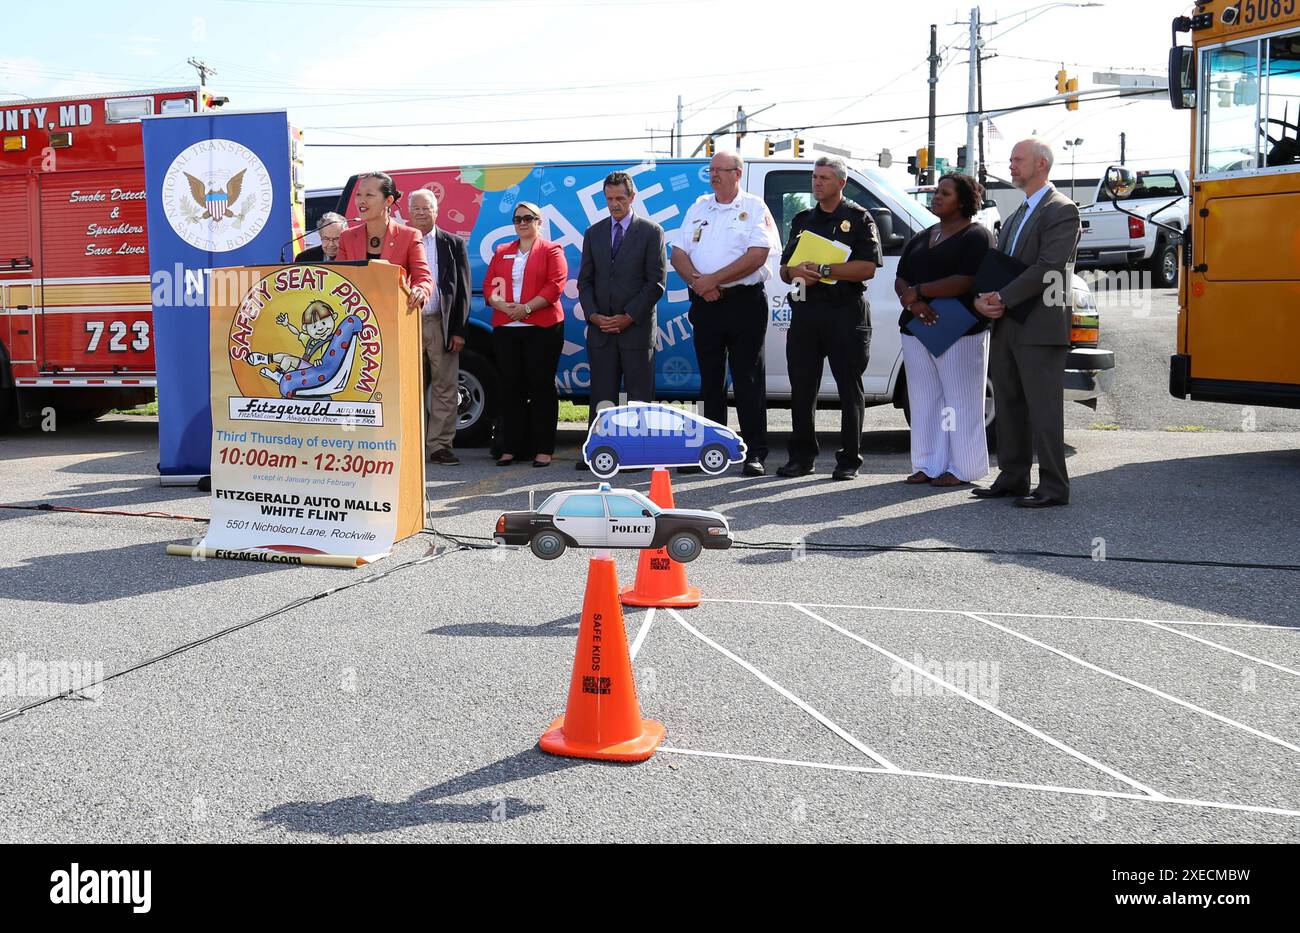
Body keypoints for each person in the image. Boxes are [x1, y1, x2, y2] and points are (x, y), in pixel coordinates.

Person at [973, 138, 1082, 508]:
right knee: (1008, 402)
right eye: (1011, 159)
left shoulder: (1062, 210)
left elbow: (1048, 267)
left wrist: (1001, 298)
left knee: (1043, 408)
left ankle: (1053, 486)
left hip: (1039, 326)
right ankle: (1013, 476)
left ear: (1042, 164)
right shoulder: (1019, 212)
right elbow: (1000, 264)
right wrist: (983, 298)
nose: (1011, 165)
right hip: (1007, 323)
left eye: (1018, 160)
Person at [670, 150, 779, 476]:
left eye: (721, 170)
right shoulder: (699, 206)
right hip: (706, 304)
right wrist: (699, 284)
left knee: (747, 378)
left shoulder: (754, 207)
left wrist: (713, 280)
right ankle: (710, 450)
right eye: (711, 169)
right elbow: (678, 253)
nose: (714, 174)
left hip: (744, 302)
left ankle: (754, 452)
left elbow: (758, 255)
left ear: (737, 173)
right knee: (710, 380)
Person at [777, 156, 882, 481]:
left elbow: (867, 267)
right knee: (802, 388)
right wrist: (795, 272)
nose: (817, 182)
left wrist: (822, 270)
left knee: (849, 388)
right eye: (815, 177)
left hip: (844, 312)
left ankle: (849, 459)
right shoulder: (803, 219)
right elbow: (784, 269)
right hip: (806, 312)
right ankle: (802, 456)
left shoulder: (859, 218)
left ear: (841, 183)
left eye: (824, 177)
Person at [894, 173, 996, 488]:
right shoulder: (924, 236)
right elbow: (901, 276)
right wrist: (913, 303)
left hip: (959, 329)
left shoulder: (976, 236)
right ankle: (928, 464)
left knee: (960, 401)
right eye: (937, 192)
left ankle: (964, 468)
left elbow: (966, 279)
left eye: (946, 193)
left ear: (963, 201)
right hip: (916, 328)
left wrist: (921, 291)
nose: (937, 197)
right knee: (925, 400)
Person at [576, 171, 667, 469]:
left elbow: (656, 283)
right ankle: (598, 451)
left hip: (636, 330)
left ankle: (638, 453)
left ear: (632, 197)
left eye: (620, 198)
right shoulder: (594, 233)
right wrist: (593, 316)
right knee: (602, 394)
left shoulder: (652, 232)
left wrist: (628, 317)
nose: (614, 204)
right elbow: (585, 282)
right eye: (609, 199)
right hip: (601, 329)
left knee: (639, 395)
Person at [484, 201, 568, 467]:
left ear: (539, 222)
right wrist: (501, 305)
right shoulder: (502, 251)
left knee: (541, 387)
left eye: (528, 218)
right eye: (518, 218)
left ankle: (543, 448)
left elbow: (555, 285)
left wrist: (527, 309)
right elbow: (489, 286)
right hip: (507, 328)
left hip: (542, 327)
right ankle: (510, 447)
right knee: (511, 388)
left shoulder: (552, 250)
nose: (522, 223)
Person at [408, 188, 471, 465]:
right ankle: (411, 444)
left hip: (440, 324)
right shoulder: (401, 241)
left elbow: (463, 291)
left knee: (445, 388)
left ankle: (440, 446)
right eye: (417, 209)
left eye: (427, 208)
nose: (422, 213)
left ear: (437, 211)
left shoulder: (453, 243)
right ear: (409, 213)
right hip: (407, 324)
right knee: (409, 388)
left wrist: (459, 330)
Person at [337, 171, 432, 313]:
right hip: (355, 318)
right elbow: (338, 278)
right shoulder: (347, 237)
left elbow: (423, 278)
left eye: (369, 195)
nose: (361, 200)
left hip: (395, 317)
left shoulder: (410, 236)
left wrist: (420, 290)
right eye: (358, 194)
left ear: (388, 201)